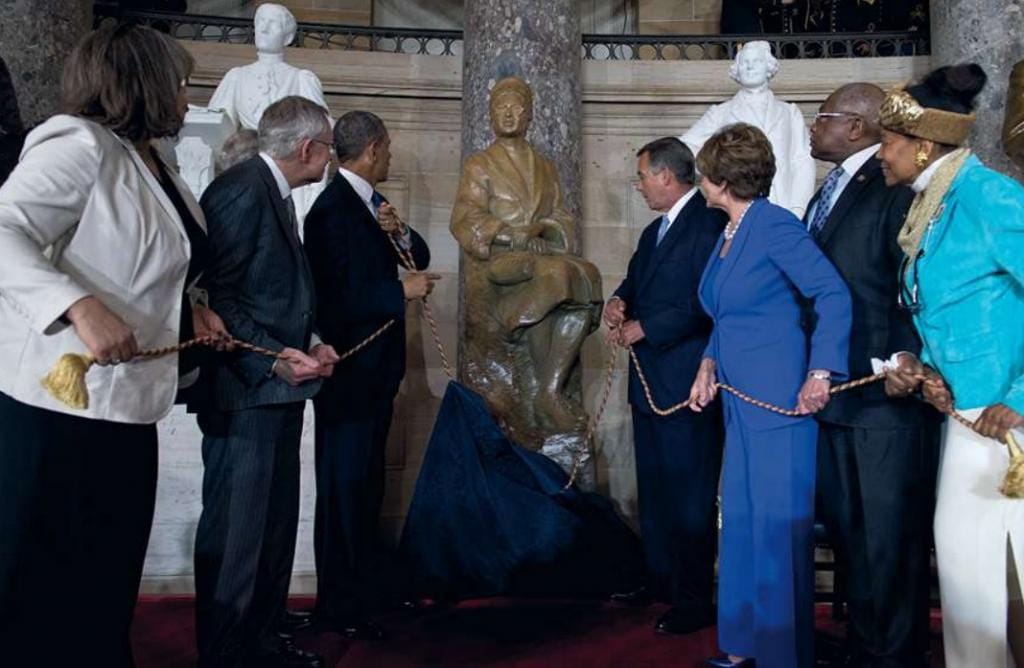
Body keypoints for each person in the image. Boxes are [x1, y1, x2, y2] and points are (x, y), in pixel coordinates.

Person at [0, 25, 225, 665]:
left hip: (126, 407)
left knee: (104, 584)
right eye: (180, 83)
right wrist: (78, 305)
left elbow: (145, 266)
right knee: (46, 591)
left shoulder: (152, 161)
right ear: (143, 82)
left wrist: (190, 313)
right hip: (59, 412)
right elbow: (4, 230)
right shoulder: (78, 144)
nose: (187, 97)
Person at [688, 123, 852, 667]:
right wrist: (708, 360)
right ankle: (743, 644)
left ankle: (783, 653)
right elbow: (728, 312)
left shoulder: (775, 225)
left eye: (704, 174)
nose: (700, 182)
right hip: (739, 402)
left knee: (777, 532)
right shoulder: (731, 230)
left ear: (721, 180)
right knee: (739, 523)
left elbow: (832, 292)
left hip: (782, 402)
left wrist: (821, 371)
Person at [877, 63, 1024, 668]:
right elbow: (948, 308)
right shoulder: (932, 205)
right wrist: (926, 367)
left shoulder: (989, 195)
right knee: (970, 577)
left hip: (1008, 422)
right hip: (966, 416)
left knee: (998, 578)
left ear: (923, 145)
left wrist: (1022, 396)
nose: (880, 154)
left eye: (889, 142)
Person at [194, 95, 338, 668]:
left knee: (272, 527)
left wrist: (311, 340)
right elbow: (220, 296)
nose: (330, 157)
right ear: (307, 148)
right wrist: (273, 358)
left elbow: (278, 290)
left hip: (277, 390)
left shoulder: (271, 191)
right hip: (246, 393)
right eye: (328, 147)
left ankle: (263, 636)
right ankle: (227, 653)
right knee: (239, 536)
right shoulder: (241, 190)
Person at [806, 83, 940, 667]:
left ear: (855, 127)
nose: (812, 126)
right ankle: (865, 649)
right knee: (852, 537)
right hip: (839, 398)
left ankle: (895, 656)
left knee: (889, 542)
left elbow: (916, 282)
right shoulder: (831, 189)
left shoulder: (893, 189)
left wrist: (907, 359)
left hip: (886, 400)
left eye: (822, 117)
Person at [304, 110, 434, 640]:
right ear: (374, 148)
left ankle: (364, 591)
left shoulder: (372, 203)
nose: (391, 157)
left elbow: (418, 254)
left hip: (377, 373)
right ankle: (340, 604)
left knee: (366, 486)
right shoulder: (331, 210)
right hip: (348, 374)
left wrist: (399, 229)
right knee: (344, 488)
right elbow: (331, 298)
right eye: (389, 149)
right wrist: (398, 292)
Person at [603, 137, 726, 635]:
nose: (638, 186)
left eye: (641, 176)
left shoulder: (710, 224)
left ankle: (694, 599)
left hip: (687, 383)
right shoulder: (655, 230)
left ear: (666, 176)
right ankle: (660, 580)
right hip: (647, 384)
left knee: (690, 495)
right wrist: (617, 303)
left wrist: (647, 328)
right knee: (654, 491)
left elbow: (707, 300)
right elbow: (635, 284)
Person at [450, 76, 602, 445]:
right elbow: (464, 218)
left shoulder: (546, 167)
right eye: (500, 107)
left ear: (529, 116)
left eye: (516, 108)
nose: (508, 114)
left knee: (587, 274)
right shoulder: (480, 164)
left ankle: (549, 388)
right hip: (499, 261)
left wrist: (542, 230)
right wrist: (509, 234)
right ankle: (546, 394)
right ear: (490, 116)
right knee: (557, 275)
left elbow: (562, 216)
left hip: (538, 255)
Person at [206, 3, 329, 224]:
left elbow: (322, 132)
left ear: (287, 37)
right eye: (260, 22)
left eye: (272, 23)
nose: (263, 28)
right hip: (247, 172)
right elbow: (215, 125)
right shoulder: (236, 77)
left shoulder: (301, 79)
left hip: (290, 172)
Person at [680, 41, 816, 218]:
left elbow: (802, 161)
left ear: (768, 67)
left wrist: (798, 207)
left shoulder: (789, 112)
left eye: (757, 61)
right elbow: (683, 150)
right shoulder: (720, 112)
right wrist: (715, 170)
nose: (750, 67)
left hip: (782, 203)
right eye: (744, 62)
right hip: (736, 206)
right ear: (737, 69)